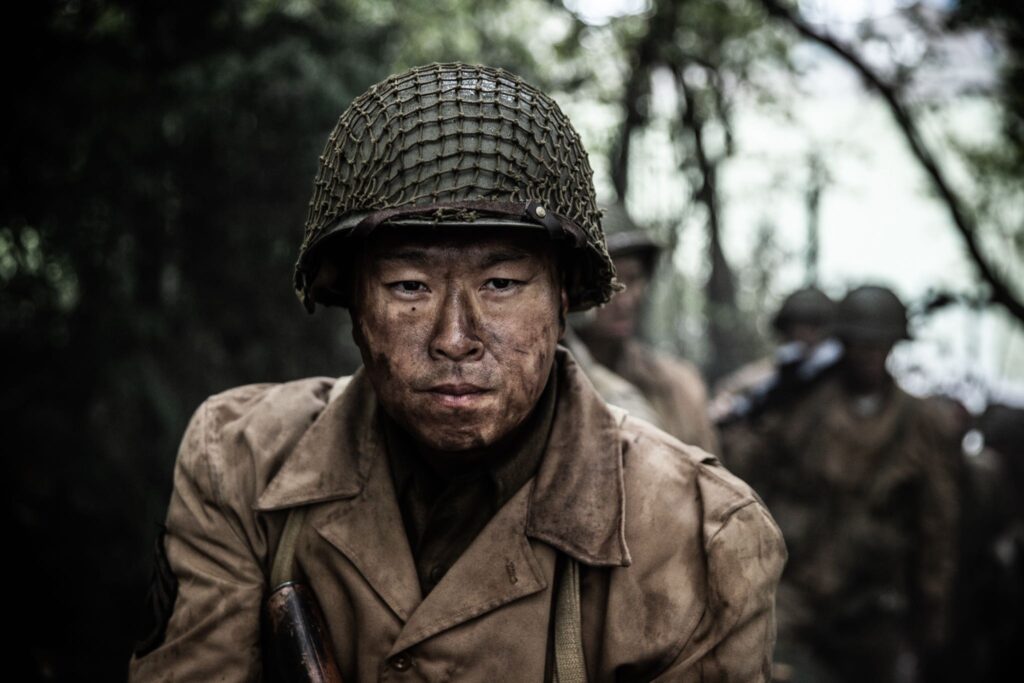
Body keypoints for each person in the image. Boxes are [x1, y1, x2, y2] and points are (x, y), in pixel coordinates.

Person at [128, 63, 785, 682]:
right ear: (355, 305)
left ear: (561, 304)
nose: (454, 338)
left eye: (501, 283)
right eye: (409, 285)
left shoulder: (697, 533)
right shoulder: (241, 461)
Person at [720, 285, 958, 683]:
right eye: (859, 343)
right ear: (843, 343)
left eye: (878, 344)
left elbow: (937, 524)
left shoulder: (921, 424)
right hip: (799, 588)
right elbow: (750, 473)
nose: (868, 354)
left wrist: (931, 611)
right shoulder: (804, 406)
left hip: (877, 601)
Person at [574, 202, 719, 452]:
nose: (625, 299)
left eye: (633, 279)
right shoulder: (543, 384)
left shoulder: (679, 386)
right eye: (609, 281)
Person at [710, 286, 838, 424]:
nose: (797, 332)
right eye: (793, 326)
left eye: (806, 324)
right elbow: (763, 385)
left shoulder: (831, 363)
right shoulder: (791, 361)